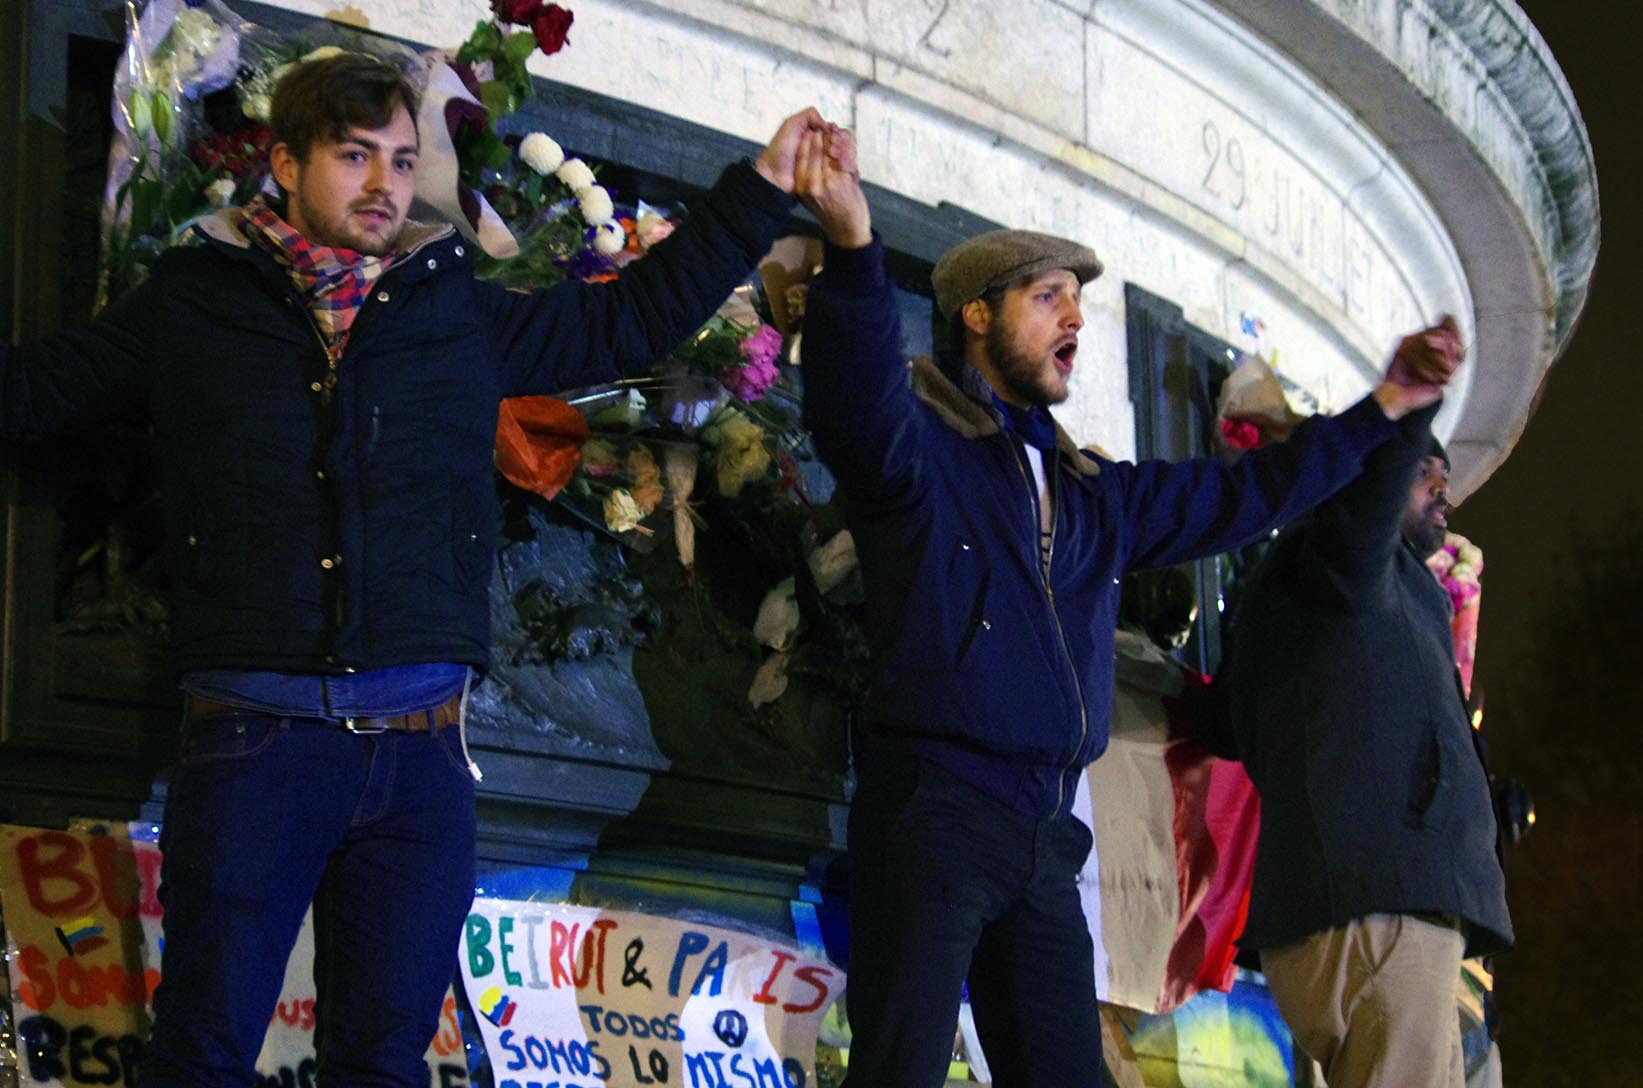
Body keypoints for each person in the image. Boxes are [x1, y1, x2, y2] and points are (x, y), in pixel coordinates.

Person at [0, 52, 828, 1086]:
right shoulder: (193, 302)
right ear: (287, 160)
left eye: (400, 157)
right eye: (355, 156)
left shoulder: (451, 306)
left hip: (420, 756)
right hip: (256, 743)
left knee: (386, 1061)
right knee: (201, 1052)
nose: (387, 182)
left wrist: (757, 188)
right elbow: (36, 392)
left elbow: (628, 321)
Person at [787, 128, 1465, 1086]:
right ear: (975, 315)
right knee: (897, 1067)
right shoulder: (922, 454)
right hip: (933, 812)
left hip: (1044, 835)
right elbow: (852, 400)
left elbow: (1246, 495)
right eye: (1047, 295)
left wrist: (1386, 406)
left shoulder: (1094, 492)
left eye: (1079, 300)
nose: (1074, 317)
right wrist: (854, 248)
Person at [1215, 383, 1512, 1087]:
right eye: (1423, 475)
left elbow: (1232, 726)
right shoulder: (1338, 564)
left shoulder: (1359, 596)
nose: (1444, 496)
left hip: (1381, 914)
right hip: (1377, 915)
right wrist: (1408, 405)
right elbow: (1364, 504)